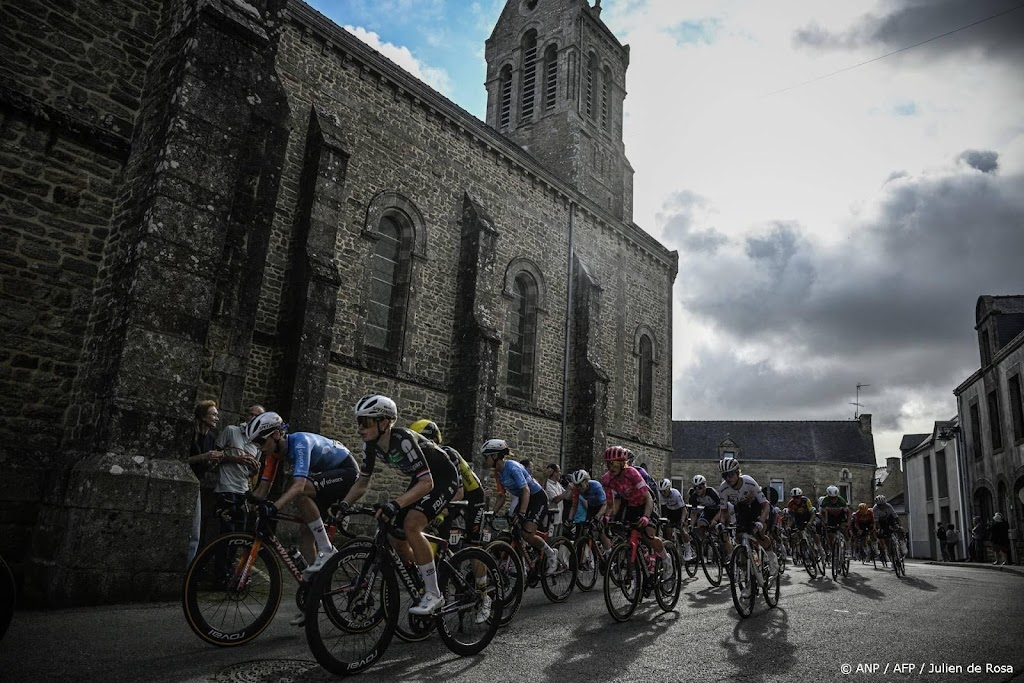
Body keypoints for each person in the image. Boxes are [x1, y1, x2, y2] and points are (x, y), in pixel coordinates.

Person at [337, 396, 460, 616]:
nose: (360, 428)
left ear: (384, 422)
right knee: (395, 535)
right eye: (359, 422)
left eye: (365, 422)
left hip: (443, 478)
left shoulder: (402, 439)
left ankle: (434, 593)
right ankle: (420, 577)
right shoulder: (370, 445)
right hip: (422, 478)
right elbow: (363, 482)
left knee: (412, 525)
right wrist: (343, 504)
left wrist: (395, 503)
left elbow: (428, 483)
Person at [248, 411, 360, 625]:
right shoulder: (272, 454)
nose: (260, 446)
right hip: (325, 479)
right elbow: (262, 489)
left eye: (262, 441)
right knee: (304, 535)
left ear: (277, 435)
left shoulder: (300, 442)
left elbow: (299, 485)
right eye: (256, 442)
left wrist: (275, 507)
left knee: (300, 492)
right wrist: (244, 502)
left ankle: (327, 550)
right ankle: (313, 598)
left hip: (346, 473)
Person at [483, 439, 560, 575]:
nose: (484, 460)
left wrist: (522, 513)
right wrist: (492, 513)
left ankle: (551, 553)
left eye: (486, 456)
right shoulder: (498, 473)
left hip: (537, 498)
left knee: (527, 534)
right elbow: (501, 496)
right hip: (524, 498)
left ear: (495, 456)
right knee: (515, 531)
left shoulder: (512, 467)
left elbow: (526, 491)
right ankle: (522, 566)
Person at [716, 457, 778, 597]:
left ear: (738, 472)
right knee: (739, 538)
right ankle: (748, 579)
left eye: (731, 474)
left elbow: (765, 505)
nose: (728, 478)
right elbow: (724, 511)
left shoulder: (749, 482)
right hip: (742, 509)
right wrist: (723, 525)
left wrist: (761, 520)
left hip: (758, 507)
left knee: (759, 534)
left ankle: (772, 559)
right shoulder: (724, 488)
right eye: (724, 475)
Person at [600, 446, 665, 564]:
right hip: (631, 504)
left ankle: (666, 558)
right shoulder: (607, 479)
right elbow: (610, 505)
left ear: (622, 463)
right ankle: (639, 557)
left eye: (614, 464)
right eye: (608, 464)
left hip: (646, 503)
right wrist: (607, 516)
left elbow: (648, 497)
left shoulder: (632, 473)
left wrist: (646, 516)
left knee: (648, 536)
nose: (611, 468)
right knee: (625, 533)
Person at [187, 400, 222, 565]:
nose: (217, 417)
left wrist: (212, 462)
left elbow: (204, 465)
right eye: (213, 414)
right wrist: (204, 457)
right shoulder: (190, 434)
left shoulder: (211, 438)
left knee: (195, 534)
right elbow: (181, 461)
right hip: (186, 483)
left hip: (197, 485)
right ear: (202, 416)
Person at [659, 478, 694, 561]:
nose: (663, 493)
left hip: (680, 512)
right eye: (661, 491)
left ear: (668, 489)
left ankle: (688, 550)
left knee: (682, 530)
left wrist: (682, 521)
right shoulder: (661, 495)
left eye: (664, 491)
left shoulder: (675, 493)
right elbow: (662, 509)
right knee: (668, 532)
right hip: (671, 512)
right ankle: (672, 551)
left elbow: (684, 509)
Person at [543, 463, 569, 537]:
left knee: (557, 542)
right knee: (550, 541)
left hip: (559, 519)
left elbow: (566, 497)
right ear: (553, 473)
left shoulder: (557, 484)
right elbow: (556, 499)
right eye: (558, 471)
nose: (560, 473)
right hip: (550, 520)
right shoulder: (548, 485)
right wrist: (568, 490)